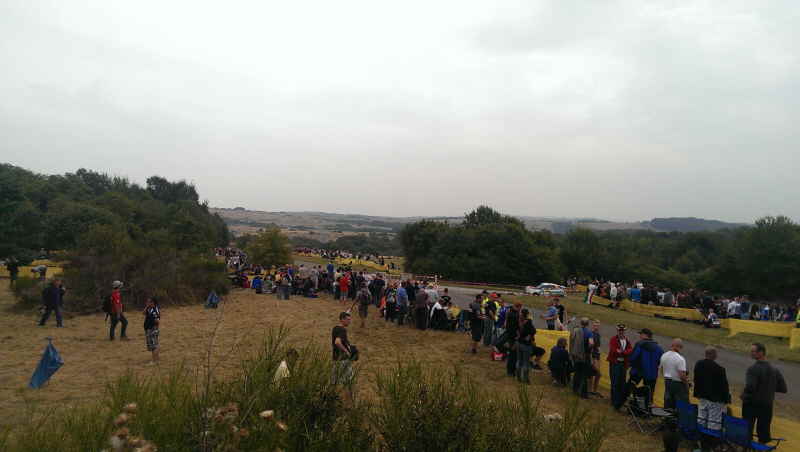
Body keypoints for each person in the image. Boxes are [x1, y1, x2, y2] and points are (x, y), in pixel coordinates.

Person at [741, 343, 787, 444]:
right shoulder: (775, 370)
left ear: (761, 352)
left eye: (753, 351)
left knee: (747, 430)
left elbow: (750, 387)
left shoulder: (753, 369)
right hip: (767, 406)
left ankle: (746, 447)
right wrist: (768, 388)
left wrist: (743, 396)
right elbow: (783, 389)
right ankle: (761, 448)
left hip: (751, 404)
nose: (751, 353)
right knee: (764, 433)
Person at [693, 346, 730, 434]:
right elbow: (724, 387)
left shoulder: (698, 364)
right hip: (715, 401)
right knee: (713, 424)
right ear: (713, 355)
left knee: (701, 420)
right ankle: (710, 440)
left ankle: (700, 438)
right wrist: (726, 399)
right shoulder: (719, 369)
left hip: (702, 397)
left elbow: (696, 380)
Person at [628, 328, 663, 403]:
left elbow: (633, 357)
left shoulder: (640, 344)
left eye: (641, 334)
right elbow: (661, 361)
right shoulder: (659, 348)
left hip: (638, 372)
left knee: (629, 388)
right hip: (652, 374)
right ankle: (647, 407)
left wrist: (630, 365)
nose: (640, 336)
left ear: (645, 335)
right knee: (649, 394)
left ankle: (626, 403)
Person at [607, 324, 633, 410]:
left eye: (622, 331)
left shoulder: (627, 340)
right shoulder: (613, 339)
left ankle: (618, 400)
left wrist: (623, 352)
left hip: (623, 364)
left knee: (622, 382)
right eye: (619, 331)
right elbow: (613, 350)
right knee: (615, 382)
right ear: (617, 331)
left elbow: (630, 350)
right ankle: (614, 400)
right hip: (615, 363)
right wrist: (623, 352)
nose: (621, 332)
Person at [331, 312, 354, 402]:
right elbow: (337, 342)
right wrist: (346, 351)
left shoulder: (335, 328)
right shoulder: (342, 330)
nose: (349, 321)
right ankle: (349, 401)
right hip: (343, 360)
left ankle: (330, 399)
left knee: (334, 381)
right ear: (342, 319)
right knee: (348, 381)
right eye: (348, 320)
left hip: (336, 358)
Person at [660, 338, 689, 410]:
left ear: (671, 345)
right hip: (678, 384)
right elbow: (682, 375)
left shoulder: (664, 355)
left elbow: (661, 370)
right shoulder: (680, 359)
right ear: (681, 347)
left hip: (667, 382)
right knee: (681, 406)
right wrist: (686, 385)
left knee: (668, 404)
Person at [569, 317, 593, 398]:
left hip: (576, 355)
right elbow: (591, 343)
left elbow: (572, 340)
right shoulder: (589, 333)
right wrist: (589, 349)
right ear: (588, 324)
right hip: (584, 356)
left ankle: (575, 390)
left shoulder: (576, 330)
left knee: (577, 373)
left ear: (581, 323)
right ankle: (583, 393)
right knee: (584, 375)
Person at [516, 308, 535, 384]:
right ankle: (525, 379)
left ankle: (518, 377)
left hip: (519, 343)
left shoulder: (519, 321)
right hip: (526, 345)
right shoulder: (528, 322)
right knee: (526, 362)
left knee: (519, 361)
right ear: (527, 314)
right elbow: (533, 330)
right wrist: (530, 336)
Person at [143, 297, 161, 364]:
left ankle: (155, 361)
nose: (147, 303)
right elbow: (143, 313)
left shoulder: (155, 310)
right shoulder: (149, 309)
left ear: (152, 302)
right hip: (148, 329)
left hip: (153, 329)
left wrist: (154, 328)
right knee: (152, 345)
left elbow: (157, 320)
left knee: (154, 345)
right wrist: (146, 307)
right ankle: (156, 359)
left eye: (148, 302)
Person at [589, 320, 603, 397]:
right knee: (595, 373)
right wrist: (591, 357)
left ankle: (594, 390)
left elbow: (598, 346)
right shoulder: (591, 334)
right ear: (592, 326)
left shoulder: (598, 335)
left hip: (597, 356)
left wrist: (599, 354)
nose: (596, 327)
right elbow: (590, 346)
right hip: (593, 356)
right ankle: (591, 390)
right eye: (595, 325)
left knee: (596, 374)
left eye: (597, 325)